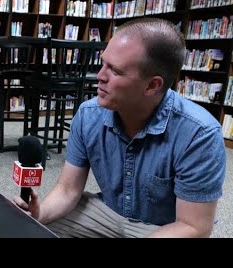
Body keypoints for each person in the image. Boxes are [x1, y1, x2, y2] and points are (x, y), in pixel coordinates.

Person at [14, 17, 226, 238]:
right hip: (106, 214)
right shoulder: (88, 115)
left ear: (152, 85)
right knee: (30, 229)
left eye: (115, 71)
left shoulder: (199, 134)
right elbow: (68, 190)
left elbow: (193, 227)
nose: (100, 76)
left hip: (162, 229)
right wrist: (38, 216)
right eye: (103, 63)